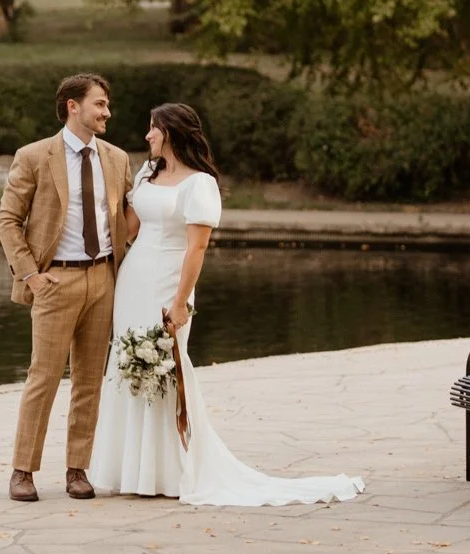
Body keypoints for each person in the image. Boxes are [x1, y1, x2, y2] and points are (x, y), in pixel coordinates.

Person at [89, 101, 364, 507]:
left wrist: (180, 303)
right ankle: (132, 469)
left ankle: (169, 469)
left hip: (170, 281)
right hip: (134, 281)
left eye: (154, 129)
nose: (147, 136)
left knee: (168, 368)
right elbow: (129, 230)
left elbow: (196, 249)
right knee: (129, 368)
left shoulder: (200, 184)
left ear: (173, 133)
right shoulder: (148, 174)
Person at [0, 71, 137, 502]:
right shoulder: (36, 156)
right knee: (44, 377)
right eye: (100, 104)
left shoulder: (116, 158)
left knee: (90, 381)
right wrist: (31, 275)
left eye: (107, 104)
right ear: (73, 106)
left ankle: (78, 469)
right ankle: (23, 471)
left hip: (103, 279)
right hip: (55, 280)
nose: (107, 112)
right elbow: (7, 220)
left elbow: (130, 215)